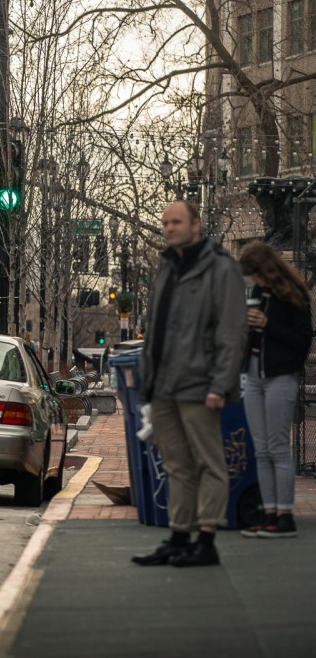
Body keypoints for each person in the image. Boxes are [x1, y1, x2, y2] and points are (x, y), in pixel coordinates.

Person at [133, 201, 247, 568]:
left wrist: (220, 383)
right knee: (176, 464)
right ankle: (179, 536)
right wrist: (147, 378)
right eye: (164, 222)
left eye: (176, 221)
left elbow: (231, 331)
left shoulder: (221, 268)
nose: (168, 228)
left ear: (196, 224)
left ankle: (207, 540)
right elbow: (157, 327)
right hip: (164, 383)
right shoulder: (168, 265)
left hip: (199, 384)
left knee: (209, 463)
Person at [237, 241, 312, 539]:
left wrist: (267, 324)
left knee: (278, 445)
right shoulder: (259, 294)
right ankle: (269, 511)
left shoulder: (293, 298)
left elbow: (301, 342)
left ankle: (284, 514)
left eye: (256, 274)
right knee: (261, 448)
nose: (254, 281)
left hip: (280, 375)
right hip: (254, 375)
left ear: (267, 270)